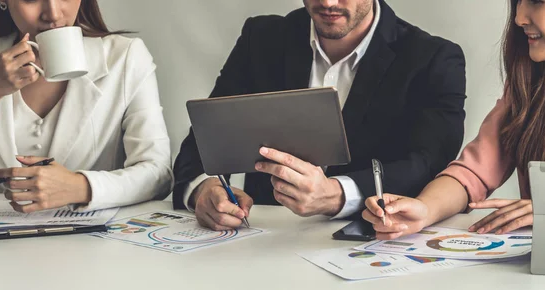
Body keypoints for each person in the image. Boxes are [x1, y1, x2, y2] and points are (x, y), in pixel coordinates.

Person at [173, 0, 467, 230]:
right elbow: (204, 142)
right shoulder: (260, 39)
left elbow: (430, 165)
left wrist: (339, 194)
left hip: (376, 247)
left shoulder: (434, 58)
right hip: (262, 243)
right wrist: (203, 190)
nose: (327, 2)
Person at [0, 0, 173, 212]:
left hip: (91, 242)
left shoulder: (125, 58)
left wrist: (80, 187)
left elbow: (157, 173)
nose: (53, 13)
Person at [362, 0, 545, 240]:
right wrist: (425, 209)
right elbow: (472, 174)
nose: (519, 18)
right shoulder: (528, 89)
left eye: (537, 1)